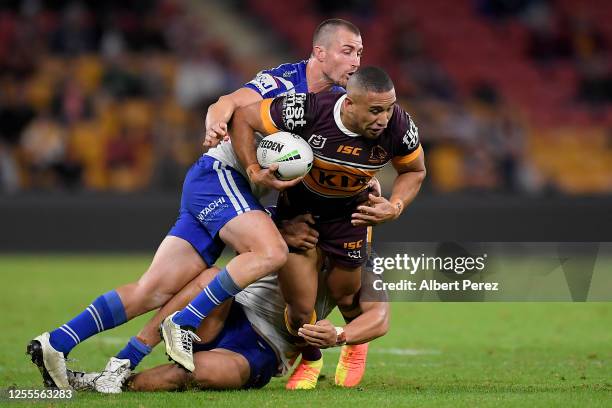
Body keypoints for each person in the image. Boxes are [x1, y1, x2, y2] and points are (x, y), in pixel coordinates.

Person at [27, 18, 366, 393]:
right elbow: (228, 103)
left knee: (151, 291)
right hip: (220, 176)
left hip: (231, 193)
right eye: (348, 51)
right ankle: (179, 323)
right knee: (270, 251)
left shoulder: (335, 105)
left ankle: (58, 344)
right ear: (320, 52)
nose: (356, 61)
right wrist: (214, 123)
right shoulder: (286, 81)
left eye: (360, 53)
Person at [227, 65, 426, 389]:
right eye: (375, 110)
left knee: (346, 296)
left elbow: (415, 171)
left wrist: (395, 206)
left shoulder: (400, 128)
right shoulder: (307, 109)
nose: (384, 118)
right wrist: (252, 168)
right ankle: (311, 356)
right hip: (298, 218)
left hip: (351, 218)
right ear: (349, 104)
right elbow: (243, 118)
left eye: (389, 109)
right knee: (300, 309)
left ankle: (354, 342)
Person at [67, 250, 389, 392]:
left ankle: (109, 382)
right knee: (210, 276)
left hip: (264, 348)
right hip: (229, 310)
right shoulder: (292, 221)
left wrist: (341, 334)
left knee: (199, 374)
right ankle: (125, 359)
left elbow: (380, 317)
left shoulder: (356, 255)